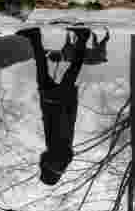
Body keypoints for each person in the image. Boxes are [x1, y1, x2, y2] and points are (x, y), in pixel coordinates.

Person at [17, 25, 91, 185]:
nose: (41, 167)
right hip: (58, 102)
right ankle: (83, 38)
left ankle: (35, 37)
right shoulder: (58, 155)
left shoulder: (60, 156)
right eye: (43, 170)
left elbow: (57, 124)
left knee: (66, 69)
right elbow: (62, 124)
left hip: (57, 102)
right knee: (66, 69)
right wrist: (55, 103)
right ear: (49, 171)